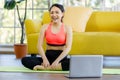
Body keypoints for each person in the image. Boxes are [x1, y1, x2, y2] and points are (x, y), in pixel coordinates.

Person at [21, 3, 72, 71]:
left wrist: (57, 61)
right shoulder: (45, 27)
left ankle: (45, 68)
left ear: (62, 14)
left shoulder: (67, 28)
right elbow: (39, 46)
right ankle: (53, 68)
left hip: (61, 59)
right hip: (47, 57)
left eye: (57, 12)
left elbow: (68, 48)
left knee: (73, 63)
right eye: (52, 13)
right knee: (24, 60)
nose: (54, 15)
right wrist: (44, 59)